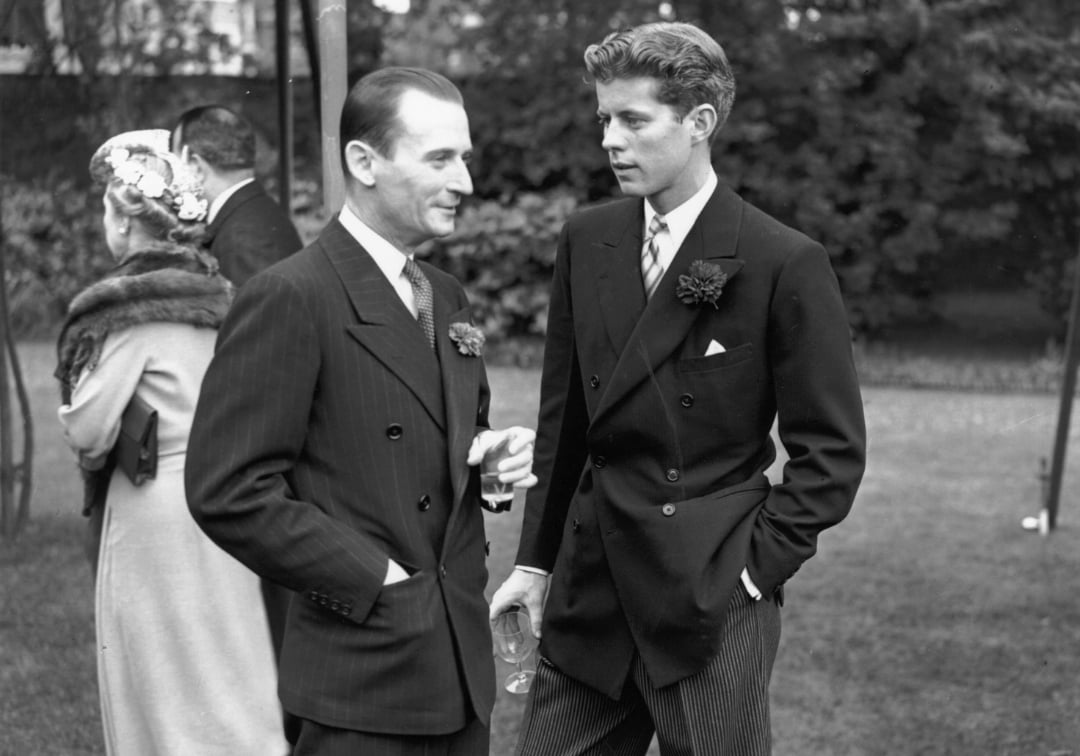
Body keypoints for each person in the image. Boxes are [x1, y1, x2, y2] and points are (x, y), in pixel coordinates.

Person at [489, 22, 867, 755]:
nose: (610, 139)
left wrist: (752, 574)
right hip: (591, 592)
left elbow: (833, 454)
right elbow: (566, 420)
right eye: (604, 118)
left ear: (699, 123)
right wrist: (535, 565)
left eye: (633, 119)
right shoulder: (586, 238)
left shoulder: (782, 260)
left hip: (709, 602)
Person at [184, 67, 537, 755]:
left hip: (459, 667)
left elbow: (447, 432)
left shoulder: (445, 294)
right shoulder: (291, 295)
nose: (464, 181)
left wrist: (489, 460)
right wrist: (372, 578)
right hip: (363, 677)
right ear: (362, 162)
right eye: (439, 158)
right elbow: (226, 488)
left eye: (464, 158)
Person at [56, 130, 288, 755]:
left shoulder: (131, 307)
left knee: (163, 683)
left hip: (156, 506)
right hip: (221, 496)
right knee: (229, 667)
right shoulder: (217, 292)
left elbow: (90, 427)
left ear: (124, 219)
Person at [171, 104, 302, 287]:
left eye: (174, 162)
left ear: (194, 164)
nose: (172, 178)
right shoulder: (255, 215)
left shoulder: (243, 240)